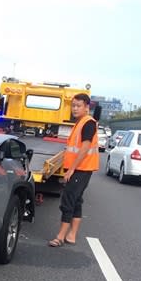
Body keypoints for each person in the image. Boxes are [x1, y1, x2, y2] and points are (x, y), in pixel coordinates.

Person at [48, 93, 99, 247]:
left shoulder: (88, 123)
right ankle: (72, 235)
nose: (75, 109)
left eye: (78, 106)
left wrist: (71, 169)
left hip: (81, 169)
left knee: (68, 201)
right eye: (73, 105)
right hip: (83, 169)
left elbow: (84, 148)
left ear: (86, 107)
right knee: (76, 201)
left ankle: (60, 236)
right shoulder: (81, 122)